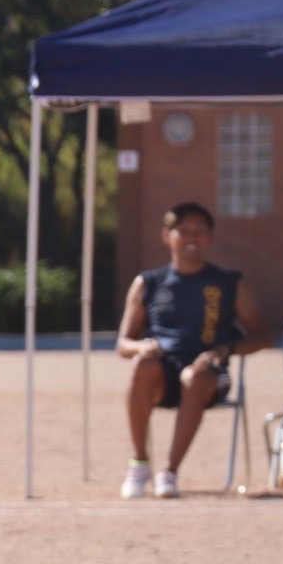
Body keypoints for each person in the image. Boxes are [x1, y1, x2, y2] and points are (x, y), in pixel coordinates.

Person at [117, 202, 267, 499]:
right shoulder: (148, 283)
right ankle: (139, 463)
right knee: (141, 366)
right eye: (183, 231)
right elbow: (123, 343)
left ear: (210, 237)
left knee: (195, 376)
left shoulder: (227, 282)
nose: (191, 238)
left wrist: (227, 349)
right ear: (167, 236)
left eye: (199, 231)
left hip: (209, 376)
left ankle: (169, 472)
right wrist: (143, 347)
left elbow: (262, 336)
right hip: (162, 373)